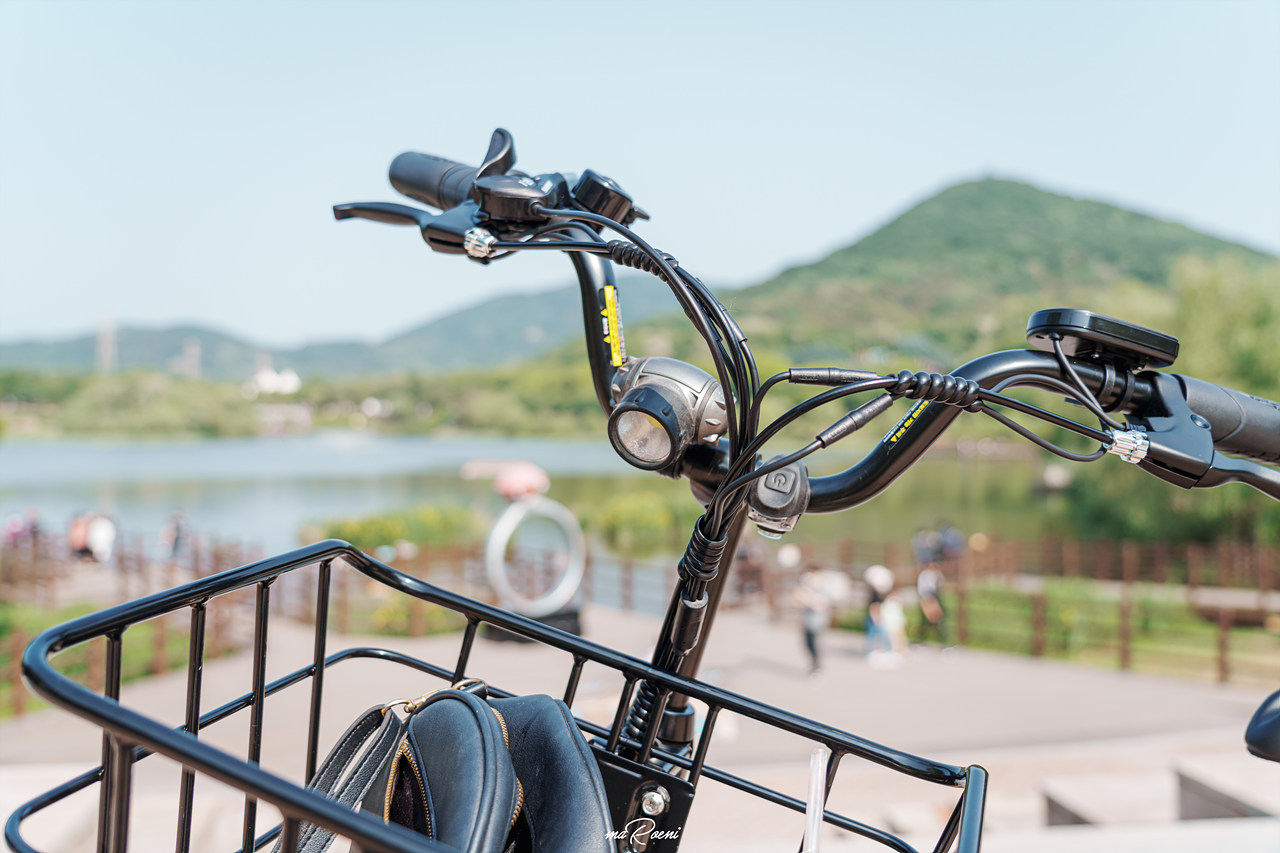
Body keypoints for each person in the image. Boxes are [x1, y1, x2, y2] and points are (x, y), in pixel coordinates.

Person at [793, 565, 831, 675]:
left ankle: (816, 665)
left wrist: (808, 600)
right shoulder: (804, 586)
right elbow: (797, 599)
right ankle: (813, 664)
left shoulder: (822, 587)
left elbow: (820, 604)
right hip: (806, 620)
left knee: (814, 643)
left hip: (817, 621)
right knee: (807, 643)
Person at [863, 564, 894, 660]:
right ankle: (885, 651)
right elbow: (874, 607)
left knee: (873, 635)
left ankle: (872, 652)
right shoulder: (875, 595)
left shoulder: (875, 593)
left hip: (874, 616)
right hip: (875, 617)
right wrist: (876, 618)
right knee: (879, 634)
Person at [916, 565, 946, 644]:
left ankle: (941, 639)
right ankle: (922, 638)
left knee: (937, 618)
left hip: (933, 597)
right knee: (929, 619)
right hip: (927, 597)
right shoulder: (924, 575)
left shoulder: (935, 574)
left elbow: (941, 583)